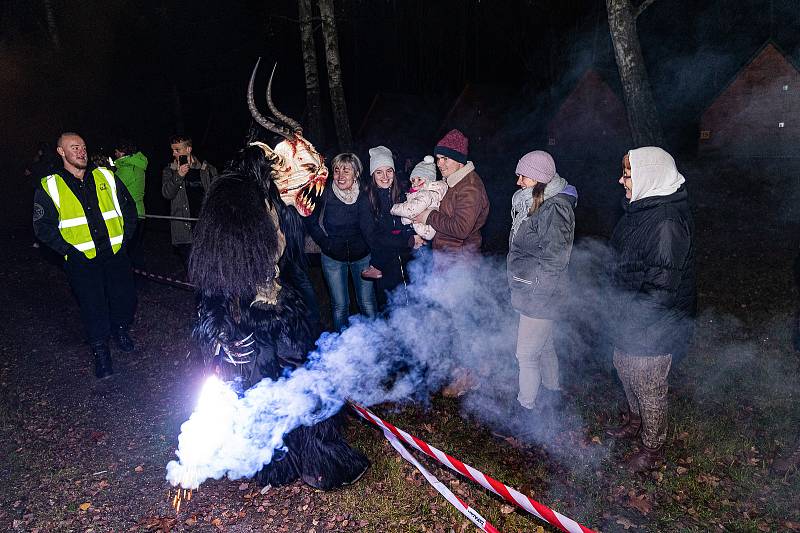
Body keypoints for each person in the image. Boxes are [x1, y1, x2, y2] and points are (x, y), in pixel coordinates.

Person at [605, 147, 695, 472]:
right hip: (629, 313)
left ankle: (652, 447)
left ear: (649, 177)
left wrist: (630, 317)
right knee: (623, 366)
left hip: (653, 322)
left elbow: (660, 288)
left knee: (647, 381)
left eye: (627, 174)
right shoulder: (640, 207)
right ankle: (635, 420)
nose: (621, 180)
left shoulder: (667, 223)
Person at [33, 132, 139, 379]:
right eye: (74, 147)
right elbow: (42, 227)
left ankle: (121, 330)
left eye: (83, 146)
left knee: (124, 297)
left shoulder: (106, 176)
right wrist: (68, 251)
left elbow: (129, 210)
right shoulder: (50, 185)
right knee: (93, 307)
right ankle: (101, 352)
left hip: (114, 253)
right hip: (82, 260)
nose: (81, 151)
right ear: (61, 152)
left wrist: (124, 241)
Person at [507, 151, 577, 414]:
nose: (518, 182)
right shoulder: (535, 202)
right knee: (544, 346)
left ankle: (525, 408)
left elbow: (555, 260)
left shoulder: (555, 208)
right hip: (534, 289)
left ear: (538, 179)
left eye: (523, 176)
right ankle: (552, 392)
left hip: (541, 294)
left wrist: (536, 299)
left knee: (525, 355)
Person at [305, 152, 377, 331]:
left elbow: (372, 228)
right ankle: (342, 347)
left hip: (362, 257)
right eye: (337, 170)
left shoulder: (365, 195)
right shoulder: (325, 193)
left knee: (367, 304)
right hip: (333, 259)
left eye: (346, 170)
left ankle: (376, 346)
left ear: (356, 173)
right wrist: (326, 243)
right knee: (340, 306)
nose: (340, 175)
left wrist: (376, 254)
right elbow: (310, 220)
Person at [413, 129, 489, 262]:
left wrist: (429, 216)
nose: (439, 164)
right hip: (446, 258)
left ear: (460, 160)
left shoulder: (470, 188)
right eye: (438, 158)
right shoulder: (452, 180)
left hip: (459, 262)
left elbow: (461, 229)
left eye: (445, 159)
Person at [361, 146, 418, 308]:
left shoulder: (403, 194)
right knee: (390, 311)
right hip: (384, 266)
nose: (385, 177)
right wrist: (406, 240)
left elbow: (411, 223)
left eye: (389, 171)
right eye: (379, 172)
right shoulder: (366, 200)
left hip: (409, 264)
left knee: (415, 307)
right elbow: (373, 237)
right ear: (372, 175)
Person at [161, 134, 218, 271]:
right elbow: (167, 194)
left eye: (177, 150)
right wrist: (179, 176)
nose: (173, 153)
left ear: (188, 149)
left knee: (209, 269)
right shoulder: (169, 170)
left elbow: (217, 197)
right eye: (173, 150)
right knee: (191, 270)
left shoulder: (207, 169)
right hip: (183, 231)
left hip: (205, 230)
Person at [113, 139, 148, 270]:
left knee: (130, 250)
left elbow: (112, 191)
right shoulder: (138, 166)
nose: (115, 153)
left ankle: (135, 278)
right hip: (140, 212)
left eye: (116, 151)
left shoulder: (126, 170)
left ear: (121, 152)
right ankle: (140, 276)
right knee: (136, 247)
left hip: (129, 214)